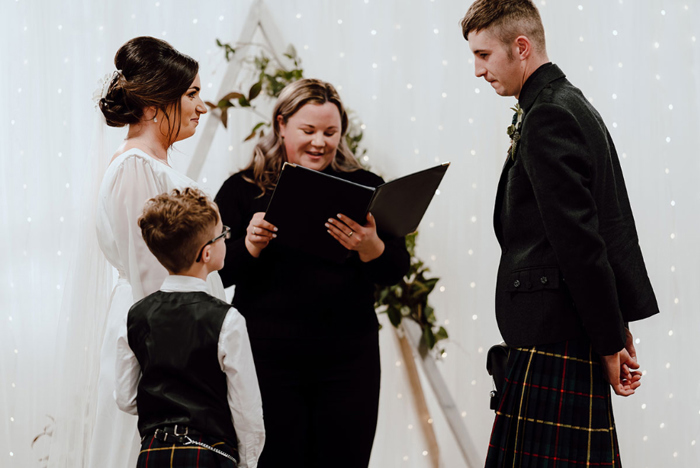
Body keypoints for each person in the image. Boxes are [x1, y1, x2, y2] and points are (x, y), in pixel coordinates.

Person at [460, 1, 659, 466]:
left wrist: (611, 340)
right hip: (567, 330)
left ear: (521, 47)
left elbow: (582, 243)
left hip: (554, 336)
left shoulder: (548, 115)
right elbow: (601, 230)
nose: (477, 70)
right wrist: (613, 327)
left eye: (484, 55)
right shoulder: (568, 102)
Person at [49, 36, 226, 468]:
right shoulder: (135, 168)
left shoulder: (153, 166)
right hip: (159, 346)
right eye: (192, 94)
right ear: (152, 106)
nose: (203, 107)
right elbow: (152, 276)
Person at [214, 78, 410, 468]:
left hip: (348, 361)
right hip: (267, 359)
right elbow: (214, 272)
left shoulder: (367, 186)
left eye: (330, 132)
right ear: (281, 124)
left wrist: (371, 247)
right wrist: (250, 245)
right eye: (308, 130)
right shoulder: (241, 190)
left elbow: (396, 269)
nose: (319, 142)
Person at [115, 187, 264, 467]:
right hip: (209, 454)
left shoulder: (135, 315)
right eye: (223, 234)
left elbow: (125, 398)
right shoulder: (228, 320)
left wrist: (163, 412)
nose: (226, 238)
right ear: (206, 253)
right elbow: (246, 411)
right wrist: (248, 462)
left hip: (152, 453)